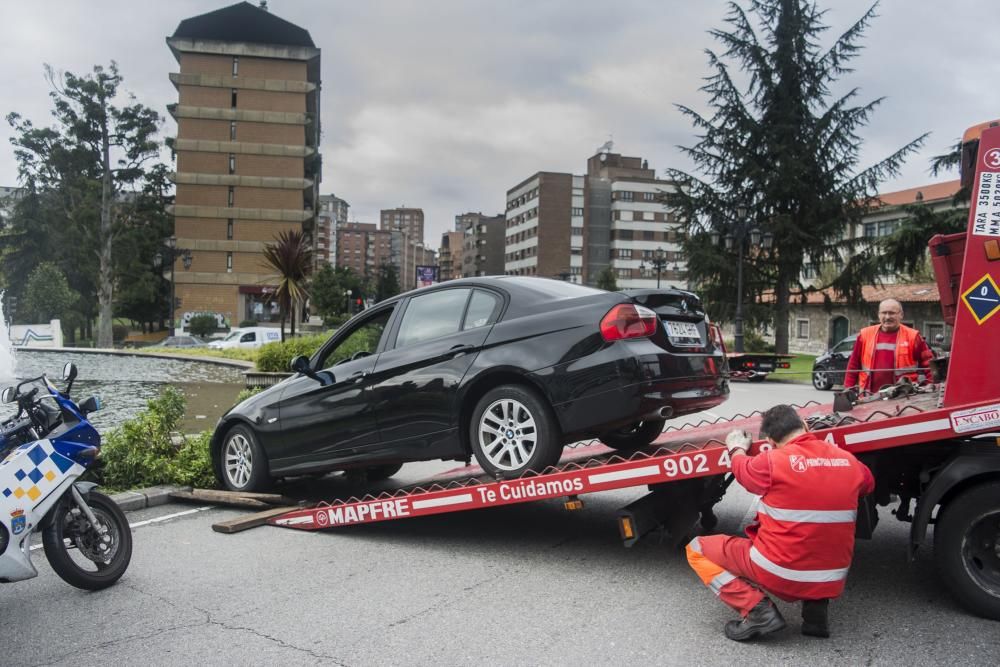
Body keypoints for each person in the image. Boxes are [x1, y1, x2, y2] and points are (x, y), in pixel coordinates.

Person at [685, 404, 874, 641]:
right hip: (831, 578)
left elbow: (742, 470)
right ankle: (816, 615)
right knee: (817, 539)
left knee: (696, 549)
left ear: (772, 442)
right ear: (805, 426)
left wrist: (736, 449)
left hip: (780, 574)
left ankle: (757, 611)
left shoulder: (772, 461)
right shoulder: (849, 462)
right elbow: (868, 485)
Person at [843, 299, 934, 393]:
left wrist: (932, 386)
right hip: (868, 397)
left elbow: (929, 364)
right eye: (884, 313)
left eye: (892, 313)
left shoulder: (913, 337)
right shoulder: (865, 335)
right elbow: (853, 365)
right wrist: (847, 390)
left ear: (901, 315)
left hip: (903, 396)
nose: (887, 317)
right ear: (879, 315)